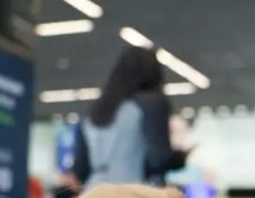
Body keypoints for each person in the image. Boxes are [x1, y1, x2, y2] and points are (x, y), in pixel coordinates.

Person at [72, 45, 188, 190]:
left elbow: (80, 169)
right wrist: (180, 158)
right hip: (134, 193)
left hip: (93, 193)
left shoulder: (92, 113)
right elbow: (158, 159)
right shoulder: (151, 103)